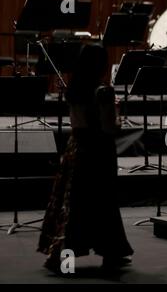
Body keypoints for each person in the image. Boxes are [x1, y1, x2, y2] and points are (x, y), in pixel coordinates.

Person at [38, 44, 133, 273]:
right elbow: (109, 127)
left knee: (73, 204)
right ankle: (111, 252)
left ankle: (60, 255)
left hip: (76, 147)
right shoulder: (103, 92)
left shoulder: (73, 89)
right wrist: (119, 116)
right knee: (104, 202)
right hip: (99, 150)